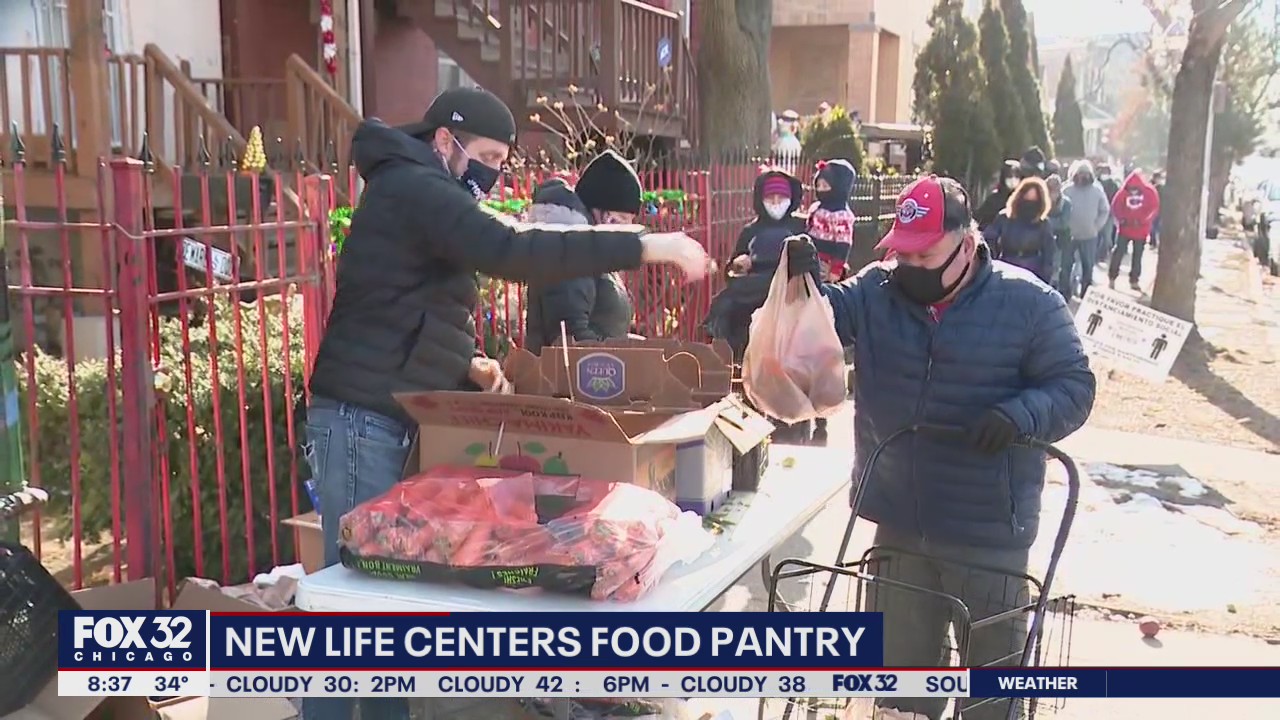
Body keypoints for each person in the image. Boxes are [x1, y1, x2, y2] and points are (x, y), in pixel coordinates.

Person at [301, 88, 708, 720]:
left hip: (382, 415)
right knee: (353, 611)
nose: (493, 173)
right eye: (487, 156)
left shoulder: (421, 188)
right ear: (446, 141)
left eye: (502, 160)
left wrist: (468, 363)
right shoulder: (415, 186)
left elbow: (407, 300)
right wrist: (646, 245)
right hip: (361, 420)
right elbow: (515, 249)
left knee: (382, 609)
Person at [781, 175, 1095, 720]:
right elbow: (823, 322)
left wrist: (1018, 416)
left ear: (966, 245)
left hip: (988, 531)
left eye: (924, 255)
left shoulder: (1030, 304)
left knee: (993, 698)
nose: (909, 266)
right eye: (902, 253)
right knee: (900, 692)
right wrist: (800, 283)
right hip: (899, 521)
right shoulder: (877, 291)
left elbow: (1074, 385)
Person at [523, 158, 641, 353]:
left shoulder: (592, 253)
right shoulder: (571, 253)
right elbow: (570, 337)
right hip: (575, 371)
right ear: (604, 215)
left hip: (596, 368)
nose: (628, 228)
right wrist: (618, 357)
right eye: (623, 219)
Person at [703, 168, 808, 361]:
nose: (775, 202)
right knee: (725, 305)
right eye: (770, 198)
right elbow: (730, 271)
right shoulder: (750, 231)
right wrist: (737, 265)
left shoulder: (802, 227)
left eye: (781, 197)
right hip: (752, 295)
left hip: (792, 289)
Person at [982, 176, 1057, 284]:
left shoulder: (1043, 223)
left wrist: (1045, 278)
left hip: (1032, 271)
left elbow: (1049, 252)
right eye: (1026, 199)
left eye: (1034, 201)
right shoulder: (1005, 217)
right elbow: (989, 238)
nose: (1029, 204)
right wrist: (992, 262)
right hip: (1007, 267)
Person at [1061, 160, 1111, 298]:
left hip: (1089, 236)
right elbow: (1059, 208)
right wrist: (1063, 225)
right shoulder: (1066, 190)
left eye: (1086, 173)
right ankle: (1064, 293)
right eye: (1080, 173)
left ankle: (1085, 294)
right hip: (1069, 235)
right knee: (1065, 266)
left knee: (1088, 267)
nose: (1083, 176)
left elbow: (1105, 210)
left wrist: (1096, 226)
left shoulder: (1097, 191)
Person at [1108, 169, 1161, 291]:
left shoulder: (1150, 192)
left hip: (1141, 230)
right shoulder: (1123, 192)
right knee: (1118, 253)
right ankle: (1112, 277)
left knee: (1138, 256)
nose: (1133, 191)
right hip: (1125, 229)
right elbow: (1115, 207)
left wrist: (1142, 220)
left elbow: (1154, 208)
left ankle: (1134, 280)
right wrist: (1122, 219)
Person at [806, 159, 858, 280]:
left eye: (825, 186)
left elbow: (843, 245)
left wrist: (836, 269)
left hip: (826, 264)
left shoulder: (841, 215)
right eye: (818, 185)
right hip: (810, 258)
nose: (820, 190)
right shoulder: (816, 208)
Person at [1044, 175, 1075, 296]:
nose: (1052, 194)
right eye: (1050, 190)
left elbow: (1063, 222)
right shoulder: (1042, 201)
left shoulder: (1065, 203)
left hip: (1062, 240)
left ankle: (1063, 292)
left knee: (1062, 268)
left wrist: (1046, 222)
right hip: (1045, 240)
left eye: (1055, 191)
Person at [974, 160, 1022, 230]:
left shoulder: (1023, 200)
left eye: (1016, 176)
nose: (1013, 180)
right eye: (1009, 176)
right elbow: (979, 220)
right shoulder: (993, 200)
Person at [1095, 162, 1122, 259]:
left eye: (1106, 171)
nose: (1104, 173)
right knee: (1096, 236)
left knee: (1107, 237)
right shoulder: (1095, 184)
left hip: (1109, 214)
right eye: (1102, 171)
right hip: (1096, 214)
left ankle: (1102, 254)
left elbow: (1117, 199)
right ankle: (1096, 255)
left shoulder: (1113, 185)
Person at [1149, 170, 1166, 249]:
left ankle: (1156, 242)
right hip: (1153, 210)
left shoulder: (1162, 187)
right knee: (1153, 228)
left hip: (1160, 210)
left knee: (1158, 227)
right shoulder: (1152, 187)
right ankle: (1153, 242)